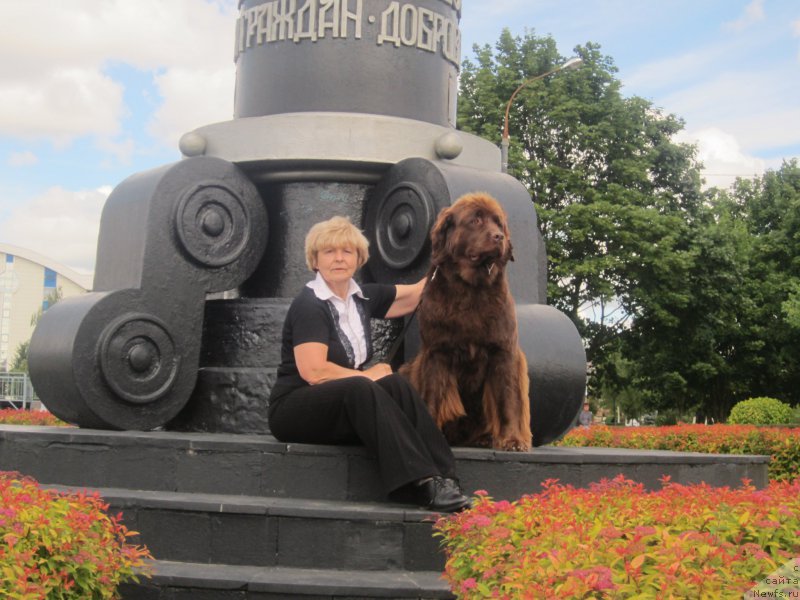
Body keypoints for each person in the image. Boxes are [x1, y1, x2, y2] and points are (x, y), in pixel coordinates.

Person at [267, 216, 471, 513]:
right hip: (295, 408)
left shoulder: (361, 298)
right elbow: (313, 371)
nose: (339, 258)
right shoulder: (310, 304)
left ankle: (446, 478)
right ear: (315, 260)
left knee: (395, 384)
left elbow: (417, 293)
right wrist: (367, 375)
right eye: (329, 252)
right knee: (364, 386)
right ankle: (419, 483)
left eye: (347, 251)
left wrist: (452, 254)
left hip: (341, 404)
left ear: (358, 258)